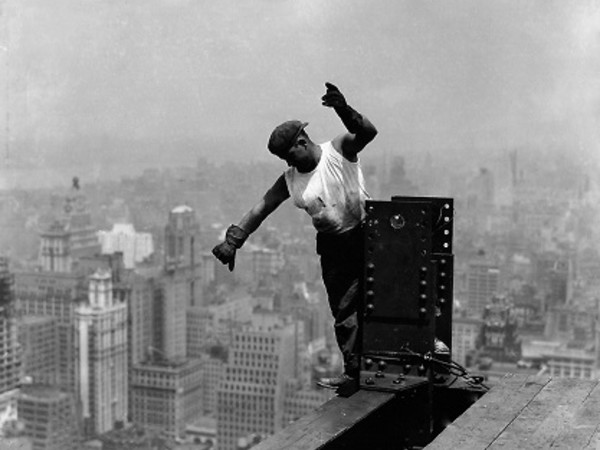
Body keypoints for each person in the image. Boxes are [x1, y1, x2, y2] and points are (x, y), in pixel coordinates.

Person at [212, 82, 377, 390]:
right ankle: (356, 372)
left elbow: (368, 133)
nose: (289, 163)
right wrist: (234, 240)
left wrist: (343, 109)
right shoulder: (291, 179)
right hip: (334, 247)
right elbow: (263, 206)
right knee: (344, 311)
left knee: (382, 300)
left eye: (290, 155)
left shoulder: (338, 150)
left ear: (303, 141)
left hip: (367, 235)